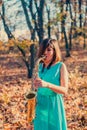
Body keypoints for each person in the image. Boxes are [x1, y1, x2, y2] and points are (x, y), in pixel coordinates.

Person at [33, 38, 68, 130]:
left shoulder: (61, 66)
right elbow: (36, 88)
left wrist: (47, 85)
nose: (45, 52)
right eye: (43, 49)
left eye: (49, 50)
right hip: (40, 104)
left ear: (55, 51)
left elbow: (64, 90)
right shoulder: (39, 66)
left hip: (54, 104)